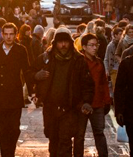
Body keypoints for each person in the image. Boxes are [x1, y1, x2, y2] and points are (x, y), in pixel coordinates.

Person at [31, 27, 94, 157]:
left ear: (71, 43)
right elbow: (29, 72)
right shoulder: (45, 58)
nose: (63, 45)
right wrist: (36, 76)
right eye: (60, 42)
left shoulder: (78, 60)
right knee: (53, 141)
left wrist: (86, 102)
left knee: (65, 142)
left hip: (70, 108)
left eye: (66, 42)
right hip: (50, 108)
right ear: (55, 43)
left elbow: (87, 84)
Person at [0, 23, 32, 157]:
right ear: (2, 34)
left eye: (11, 34)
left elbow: (26, 71)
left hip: (15, 95)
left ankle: (9, 152)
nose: (8, 37)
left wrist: (32, 92)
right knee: (2, 130)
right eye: (6, 34)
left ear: (16, 35)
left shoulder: (21, 50)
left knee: (14, 129)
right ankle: (7, 154)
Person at [75, 33, 111, 157]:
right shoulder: (78, 61)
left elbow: (104, 83)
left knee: (99, 133)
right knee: (79, 135)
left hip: (97, 103)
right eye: (91, 45)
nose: (95, 48)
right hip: (82, 105)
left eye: (96, 45)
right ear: (84, 47)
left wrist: (107, 100)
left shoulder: (99, 62)